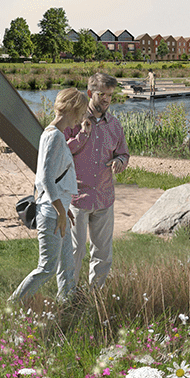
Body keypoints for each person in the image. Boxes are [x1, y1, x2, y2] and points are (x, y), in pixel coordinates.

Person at [10, 88, 88, 305]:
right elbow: (45, 178)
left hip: (57, 211)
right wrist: (61, 210)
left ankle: (67, 304)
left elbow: (55, 177)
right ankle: (12, 303)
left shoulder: (53, 134)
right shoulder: (54, 136)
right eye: (80, 113)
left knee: (67, 264)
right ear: (72, 109)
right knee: (47, 268)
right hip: (51, 214)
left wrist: (65, 209)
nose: (81, 119)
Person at [67, 75, 129, 292]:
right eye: (102, 94)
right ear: (91, 93)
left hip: (104, 197)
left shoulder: (115, 125)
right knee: (75, 252)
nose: (107, 100)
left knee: (102, 252)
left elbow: (123, 153)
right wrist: (83, 135)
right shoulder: (73, 121)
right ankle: (67, 295)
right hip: (76, 197)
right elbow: (61, 151)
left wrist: (120, 161)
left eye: (110, 95)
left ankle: (95, 295)